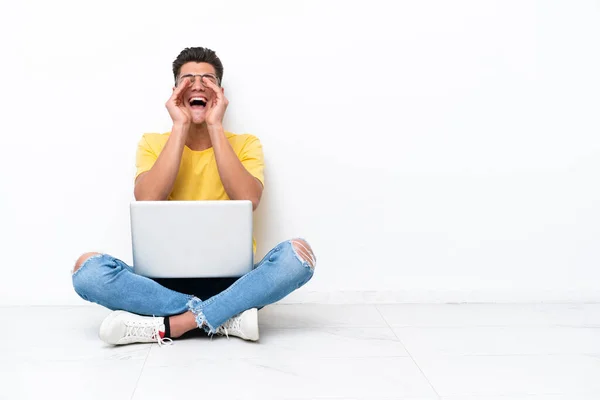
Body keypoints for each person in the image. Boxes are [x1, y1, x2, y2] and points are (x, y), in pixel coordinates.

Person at [71, 47, 316, 346]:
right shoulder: (152, 143)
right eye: (188, 80)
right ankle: (225, 317)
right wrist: (180, 125)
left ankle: (174, 325)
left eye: (207, 80)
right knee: (88, 271)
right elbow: (147, 199)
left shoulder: (246, 144)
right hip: (160, 284)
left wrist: (214, 125)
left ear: (221, 93)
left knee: (298, 257)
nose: (198, 85)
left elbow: (249, 199)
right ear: (175, 92)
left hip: (235, 282)